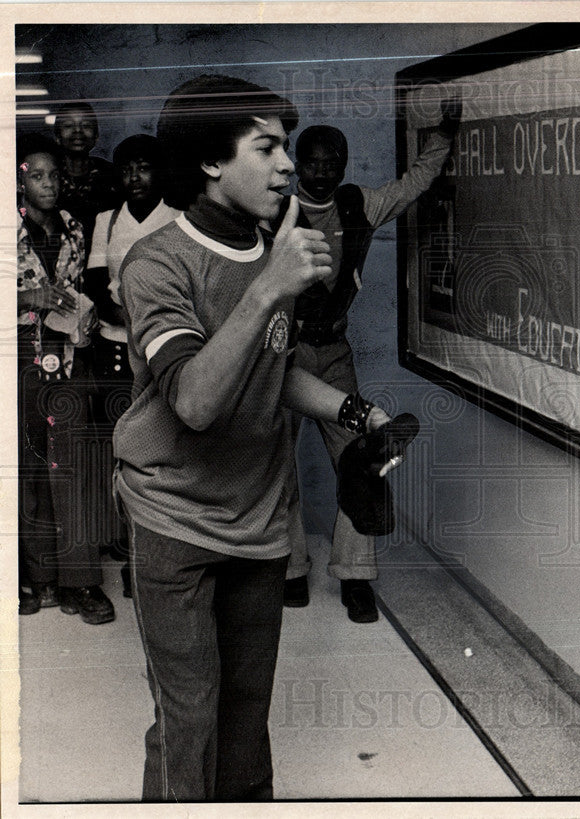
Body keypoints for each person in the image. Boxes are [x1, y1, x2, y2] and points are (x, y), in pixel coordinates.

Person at [113, 74, 402, 801]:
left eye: (285, 147)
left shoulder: (275, 249)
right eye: (266, 146)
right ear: (211, 161)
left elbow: (277, 369)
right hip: (173, 519)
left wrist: (356, 413)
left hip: (259, 521)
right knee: (190, 718)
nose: (287, 165)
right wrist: (271, 285)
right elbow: (195, 401)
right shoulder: (156, 263)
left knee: (247, 718)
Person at [283, 96, 460, 620]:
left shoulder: (359, 204)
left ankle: (355, 577)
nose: (321, 171)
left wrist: (443, 136)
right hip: (281, 354)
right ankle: (289, 569)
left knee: (361, 460)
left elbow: (415, 183)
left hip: (334, 350)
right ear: (296, 161)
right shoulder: (273, 211)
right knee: (273, 464)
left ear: (344, 164)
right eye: (311, 161)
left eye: (331, 162)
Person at [16, 132, 113, 624]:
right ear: (20, 180)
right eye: (38, 176)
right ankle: (39, 580)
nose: (50, 184)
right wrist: (25, 300)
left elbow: (78, 291)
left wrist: (87, 317)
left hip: (70, 362)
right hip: (20, 365)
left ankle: (83, 584)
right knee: (28, 474)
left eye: (54, 175)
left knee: (74, 470)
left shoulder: (75, 227)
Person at [85, 134, 181, 596]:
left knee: (161, 450)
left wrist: (151, 334)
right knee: (121, 451)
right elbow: (97, 285)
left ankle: (157, 554)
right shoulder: (105, 222)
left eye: (143, 168)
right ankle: (126, 553)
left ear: (158, 171)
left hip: (165, 356)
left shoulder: (179, 221)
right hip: (115, 352)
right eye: (126, 169)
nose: (134, 177)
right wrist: (136, 326)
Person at [52, 101, 123, 256]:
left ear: (96, 137)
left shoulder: (112, 176)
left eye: (86, 125)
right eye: (69, 126)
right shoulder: (48, 178)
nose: (78, 131)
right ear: (57, 137)